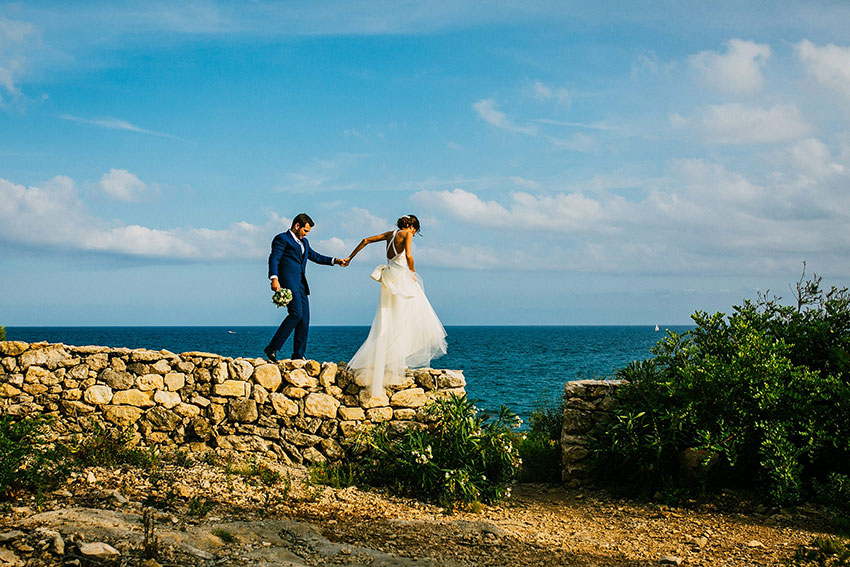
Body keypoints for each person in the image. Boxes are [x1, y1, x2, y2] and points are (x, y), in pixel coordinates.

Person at [343, 214, 447, 397]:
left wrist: (350, 257)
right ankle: (396, 356)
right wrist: (413, 273)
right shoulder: (406, 234)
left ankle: (392, 356)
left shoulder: (389, 234)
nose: (414, 234)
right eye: (415, 230)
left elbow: (365, 240)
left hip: (389, 277)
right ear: (411, 226)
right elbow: (408, 255)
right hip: (400, 277)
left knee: (389, 316)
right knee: (413, 313)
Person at [265, 213, 347, 362]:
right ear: (297, 226)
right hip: (289, 284)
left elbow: (315, 256)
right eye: (305, 230)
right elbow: (274, 258)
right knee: (296, 314)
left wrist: (335, 261)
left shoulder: (305, 243)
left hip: (302, 285)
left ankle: (298, 354)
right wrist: (274, 278)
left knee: (304, 319)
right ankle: (272, 347)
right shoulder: (282, 239)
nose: (306, 234)